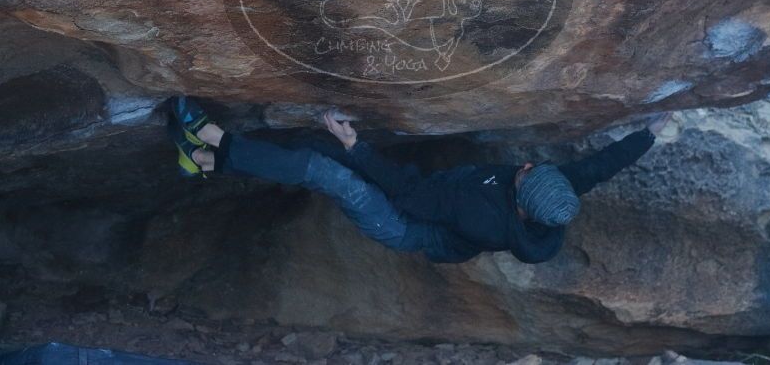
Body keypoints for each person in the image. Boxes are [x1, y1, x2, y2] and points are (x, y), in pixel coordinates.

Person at [168, 97, 672, 264]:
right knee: (317, 153)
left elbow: (407, 194)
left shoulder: (482, 219)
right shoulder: (552, 198)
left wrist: (355, 146)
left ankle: (212, 137)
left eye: (525, 175)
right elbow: (600, 167)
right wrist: (650, 132)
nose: (524, 165)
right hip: (426, 201)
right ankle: (201, 162)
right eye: (532, 166)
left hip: (405, 223)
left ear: (520, 202)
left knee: (328, 171)